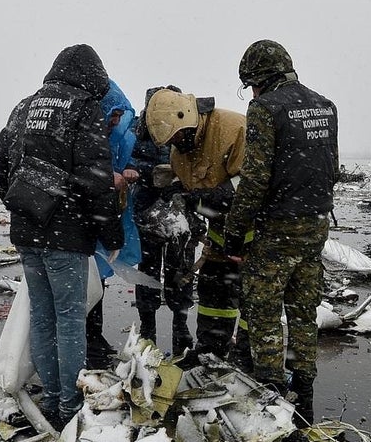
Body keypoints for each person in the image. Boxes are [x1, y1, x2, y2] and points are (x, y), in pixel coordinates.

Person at [0, 44, 123, 426]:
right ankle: (69, 408)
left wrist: (26, 205)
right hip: (66, 234)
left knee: (43, 317)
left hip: (28, 233)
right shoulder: (83, 108)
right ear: (93, 77)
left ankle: (51, 399)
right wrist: (109, 233)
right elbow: (98, 179)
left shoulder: (23, 107)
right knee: (69, 318)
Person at [221, 40, 339, 426]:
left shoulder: (266, 108)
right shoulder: (324, 106)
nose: (250, 93)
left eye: (249, 85)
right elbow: (330, 167)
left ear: (258, 79)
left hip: (278, 228)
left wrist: (234, 233)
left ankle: (271, 397)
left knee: (265, 312)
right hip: (315, 224)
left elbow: (255, 179)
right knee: (303, 311)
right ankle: (304, 393)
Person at [145, 87, 250, 366]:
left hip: (255, 237)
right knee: (213, 294)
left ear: (187, 118)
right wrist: (179, 192)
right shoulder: (180, 152)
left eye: (178, 136)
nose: (177, 143)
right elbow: (194, 188)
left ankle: (248, 356)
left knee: (253, 301)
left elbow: (252, 183)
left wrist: (212, 197)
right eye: (171, 140)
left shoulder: (233, 128)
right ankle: (210, 350)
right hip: (220, 235)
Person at [132, 86, 199, 354]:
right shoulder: (137, 131)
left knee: (180, 270)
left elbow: (197, 165)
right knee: (146, 271)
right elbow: (128, 160)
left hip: (181, 211)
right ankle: (147, 327)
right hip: (147, 211)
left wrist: (178, 182)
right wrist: (149, 173)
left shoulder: (187, 129)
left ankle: (180, 324)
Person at [85, 79, 142, 368]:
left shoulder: (121, 137)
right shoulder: (85, 136)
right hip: (85, 222)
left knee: (99, 281)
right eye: (112, 115)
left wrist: (129, 170)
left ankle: (93, 340)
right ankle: (87, 345)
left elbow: (133, 161)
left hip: (105, 218)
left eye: (120, 115)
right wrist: (107, 178)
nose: (116, 121)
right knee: (85, 284)